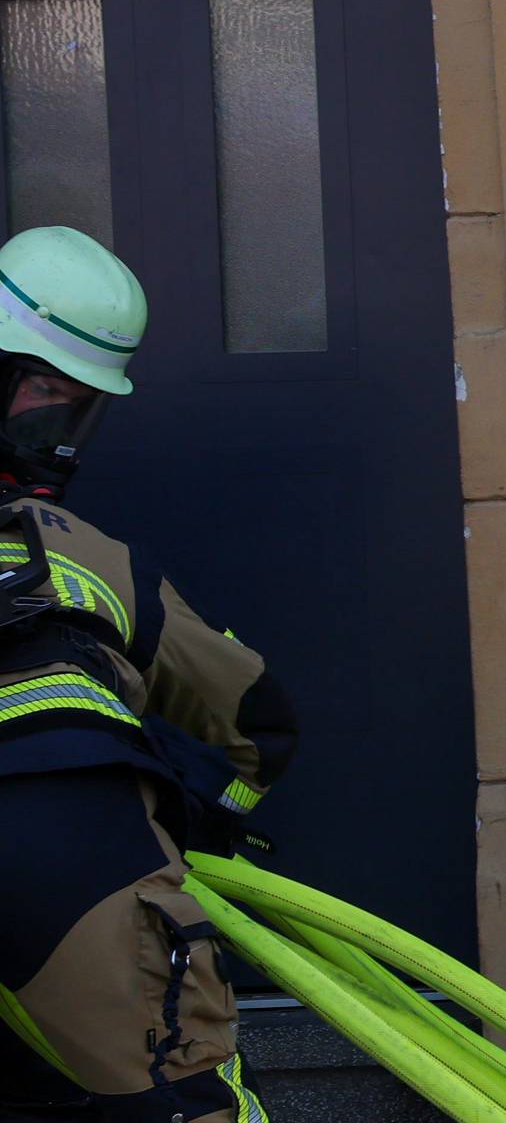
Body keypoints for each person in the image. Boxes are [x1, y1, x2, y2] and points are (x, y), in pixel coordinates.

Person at [0, 227, 294, 1123]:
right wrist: (189, 823)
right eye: (45, 393)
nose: (55, 432)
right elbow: (258, 725)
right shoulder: (78, 554)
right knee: (176, 1101)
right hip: (59, 838)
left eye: (76, 407)